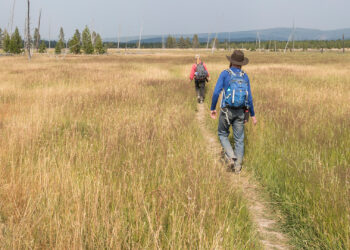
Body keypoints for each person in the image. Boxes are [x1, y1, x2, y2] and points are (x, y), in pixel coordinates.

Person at [210, 50, 257, 173]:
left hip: (226, 111)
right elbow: (250, 97)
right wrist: (252, 115)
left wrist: (212, 108)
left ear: (231, 61)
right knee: (239, 139)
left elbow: (216, 92)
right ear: (241, 63)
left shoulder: (225, 74)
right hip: (241, 112)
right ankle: (237, 167)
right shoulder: (244, 76)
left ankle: (230, 157)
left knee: (222, 134)